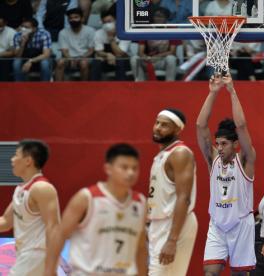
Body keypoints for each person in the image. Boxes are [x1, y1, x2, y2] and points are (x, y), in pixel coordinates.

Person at [44, 143, 147, 276]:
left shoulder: (140, 202)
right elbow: (60, 234)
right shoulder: (87, 198)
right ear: (108, 169)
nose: (130, 173)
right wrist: (49, 270)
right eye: (124, 167)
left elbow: (140, 246)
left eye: (135, 168)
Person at [197, 74, 256, 275]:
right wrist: (213, 93)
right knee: (210, 272)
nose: (220, 148)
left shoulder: (245, 160)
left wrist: (231, 91)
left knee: (240, 274)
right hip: (218, 224)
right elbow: (200, 126)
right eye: (218, 143)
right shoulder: (212, 159)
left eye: (224, 144)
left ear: (235, 144)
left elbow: (241, 126)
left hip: (241, 224)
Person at [147, 108, 198, 275]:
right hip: (160, 223)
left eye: (165, 125)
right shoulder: (163, 154)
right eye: (157, 123)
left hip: (174, 224)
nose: (158, 128)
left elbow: (184, 198)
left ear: (177, 129)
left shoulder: (180, 153)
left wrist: (172, 239)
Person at [0, 139, 60, 275]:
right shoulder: (20, 189)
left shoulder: (42, 188)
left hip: (37, 256)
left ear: (28, 161)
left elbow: (54, 227)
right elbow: (5, 222)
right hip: (24, 255)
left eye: (16, 155)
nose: (12, 160)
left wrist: (52, 264)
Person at [55, 8, 95, 81]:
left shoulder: (90, 30)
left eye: (76, 17)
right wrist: (71, 59)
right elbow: (64, 51)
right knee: (60, 62)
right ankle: (58, 88)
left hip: (85, 57)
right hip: (68, 57)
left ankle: (84, 89)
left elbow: (91, 50)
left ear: (82, 18)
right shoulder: (63, 32)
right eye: (70, 18)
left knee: (83, 63)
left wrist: (80, 58)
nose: (73, 20)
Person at [12, 17, 52, 81]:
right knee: (16, 62)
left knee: (45, 63)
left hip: (39, 59)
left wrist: (30, 61)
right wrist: (23, 43)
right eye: (22, 27)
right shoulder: (17, 35)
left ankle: (45, 87)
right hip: (24, 59)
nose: (24, 29)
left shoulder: (44, 34)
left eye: (27, 27)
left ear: (34, 28)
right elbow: (17, 56)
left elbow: (46, 54)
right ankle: (19, 86)